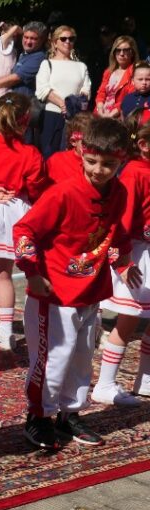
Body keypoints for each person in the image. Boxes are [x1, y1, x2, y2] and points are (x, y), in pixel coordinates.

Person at [14, 117, 139, 450]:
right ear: (82, 152)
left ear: (122, 160)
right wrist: (33, 273)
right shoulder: (64, 193)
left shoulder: (119, 192)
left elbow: (118, 231)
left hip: (90, 288)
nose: (99, 170)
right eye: (92, 161)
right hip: (54, 292)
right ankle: (38, 417)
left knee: (82, 356)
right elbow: (25, 231)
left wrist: (124, 261)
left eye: (109, 164)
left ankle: (69, 414)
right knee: (54, 357)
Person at [0, 93, 48, 350]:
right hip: (15, 212)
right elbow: (37, 187)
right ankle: (5, 331)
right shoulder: (31, 152)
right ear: (25, 122)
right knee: (2, 274)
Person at [94, 112, 150, 404]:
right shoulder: (134, 172)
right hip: (138, 254)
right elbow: (123, 222)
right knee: (128, 319)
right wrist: (124, 262)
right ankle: (104, 383)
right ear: (143, 144)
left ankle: (145, 380)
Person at [0, 21, 47, 143]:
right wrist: (16, 29)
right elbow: (0, 43)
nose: (28, 42)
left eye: (33, 39)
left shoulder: (39, 57)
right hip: (11, 110)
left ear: (41, 41)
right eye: (26, 37)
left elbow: (16, 77)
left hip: (23, 113)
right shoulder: (22, 54)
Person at [35, 26, 91, 158]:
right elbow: (43, 89)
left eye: (71, 39)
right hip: (52, 117)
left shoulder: (81, 66)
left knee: (73, 155)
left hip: (75, 118)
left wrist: (74, 106)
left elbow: (86, 89)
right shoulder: (47, 64)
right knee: (49, 155)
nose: (68, 42)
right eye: (63, 39)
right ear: (54, 42)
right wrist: (63, 104)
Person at [95, 36, 139, 119]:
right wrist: (100, 109)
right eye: (118, 50)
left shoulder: (135, 72)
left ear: (132, 52)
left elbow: (129, 98)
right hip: (101, 114)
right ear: (114, 52)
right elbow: (101, 93)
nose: (121, 54)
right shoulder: (108, 72)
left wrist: (111, 114)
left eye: (125, 50)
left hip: (120, 116)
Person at [46, 112, 92, 184]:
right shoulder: (57, 160)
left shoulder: (100, 163)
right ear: (73, 141)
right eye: (87, 142)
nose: (93, 147)